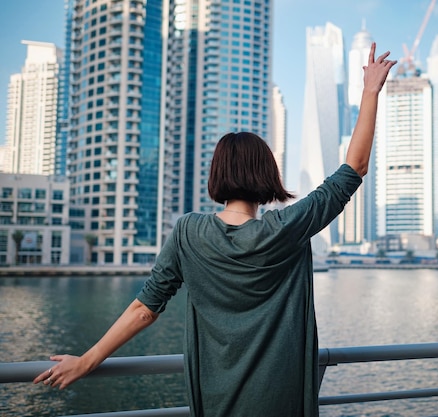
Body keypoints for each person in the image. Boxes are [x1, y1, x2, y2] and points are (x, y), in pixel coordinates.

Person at [34, 43, 396, 416]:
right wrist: (370, 91)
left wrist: (88, 361)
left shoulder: (188, 232)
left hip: (215, 405)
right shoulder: (286, 228)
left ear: (217, 175)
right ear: (267, 175)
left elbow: (145, 308)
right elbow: (354, 168)